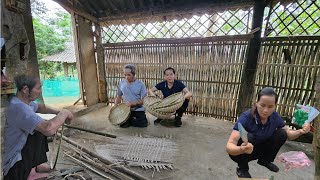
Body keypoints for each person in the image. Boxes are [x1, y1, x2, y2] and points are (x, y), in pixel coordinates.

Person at [226, 87, 311, 178]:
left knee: (282, 133)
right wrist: (241, 149)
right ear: (256, 103)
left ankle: (265, 160)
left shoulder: (275, 117)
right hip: (241, 153)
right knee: (249, 137)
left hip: (258, 150)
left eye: (270, 107)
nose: (266, 110)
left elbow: (289, 135)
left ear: (275, 106)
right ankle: (242, 168)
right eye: (262, 105)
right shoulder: (246, 117)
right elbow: (229, 146)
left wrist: (300, 131)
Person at [3, 74, 74, 180]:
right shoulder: (19, 108)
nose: (40, 91)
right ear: (25, 89)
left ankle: (33, 168)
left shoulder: (22, 101)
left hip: (19, 153)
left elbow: (41, 107)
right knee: (42, 128)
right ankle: (27, 173)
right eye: (38, 88)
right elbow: (48, 129)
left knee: (37, 130)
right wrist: (63, 114)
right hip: (13, 167)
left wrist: (59, 111)